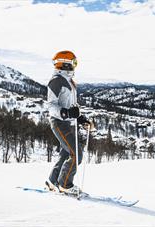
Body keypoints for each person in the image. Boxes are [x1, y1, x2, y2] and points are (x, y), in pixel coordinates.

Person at [45, 50, 92, 194]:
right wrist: (65, 113)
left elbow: (72, 106)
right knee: (76, 154)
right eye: (74, 62)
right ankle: (65, 185)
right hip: (59, 122)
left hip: (68, 123)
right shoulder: (56, 81)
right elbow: (51, 105)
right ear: (65, 64)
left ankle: (52, 182)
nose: (75, 66)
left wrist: (80, 118)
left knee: (67, 153)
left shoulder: (69, 81)